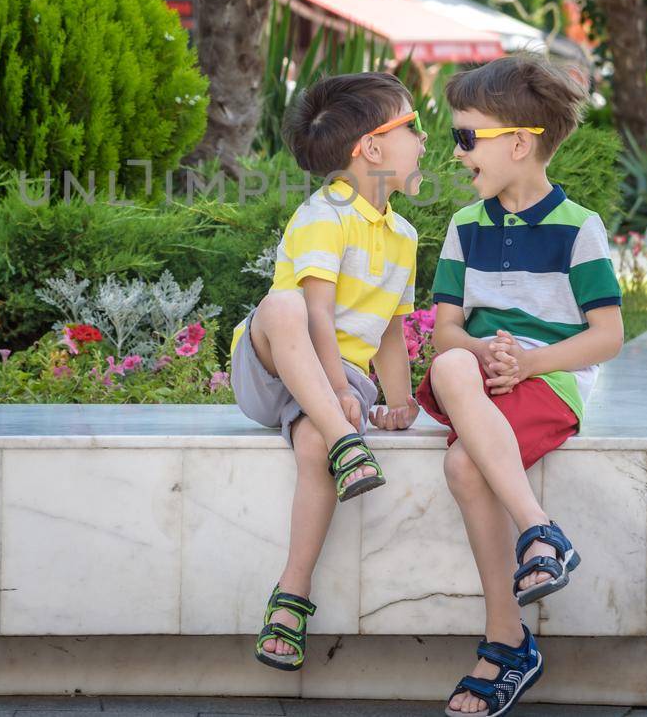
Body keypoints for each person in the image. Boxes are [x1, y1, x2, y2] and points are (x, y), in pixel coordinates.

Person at [415, 53, 625, 715]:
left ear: (517, 142)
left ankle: (507, 642)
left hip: (547, 381)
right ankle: (540, 531)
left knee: (461, 464)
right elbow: (447, 331)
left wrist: (530, 364)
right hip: (476, 373)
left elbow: (608, 336)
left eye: (465, 137)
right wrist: (483, 350)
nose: (457, 153)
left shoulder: (577, 229)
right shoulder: (464, 228)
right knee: (449, 363)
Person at [229, 71, 427, 672]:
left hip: (342, 381)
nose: (424, 140)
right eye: (412, 127)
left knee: (315, 444)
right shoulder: (326, 213)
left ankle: (290, 603)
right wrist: (339, 392)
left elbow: (390, 330)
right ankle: (346, 441)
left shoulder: (403, 235)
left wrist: (398, 400)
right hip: (275, 365)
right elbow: (315, 312)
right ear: (370, 147)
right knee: (284, 303)